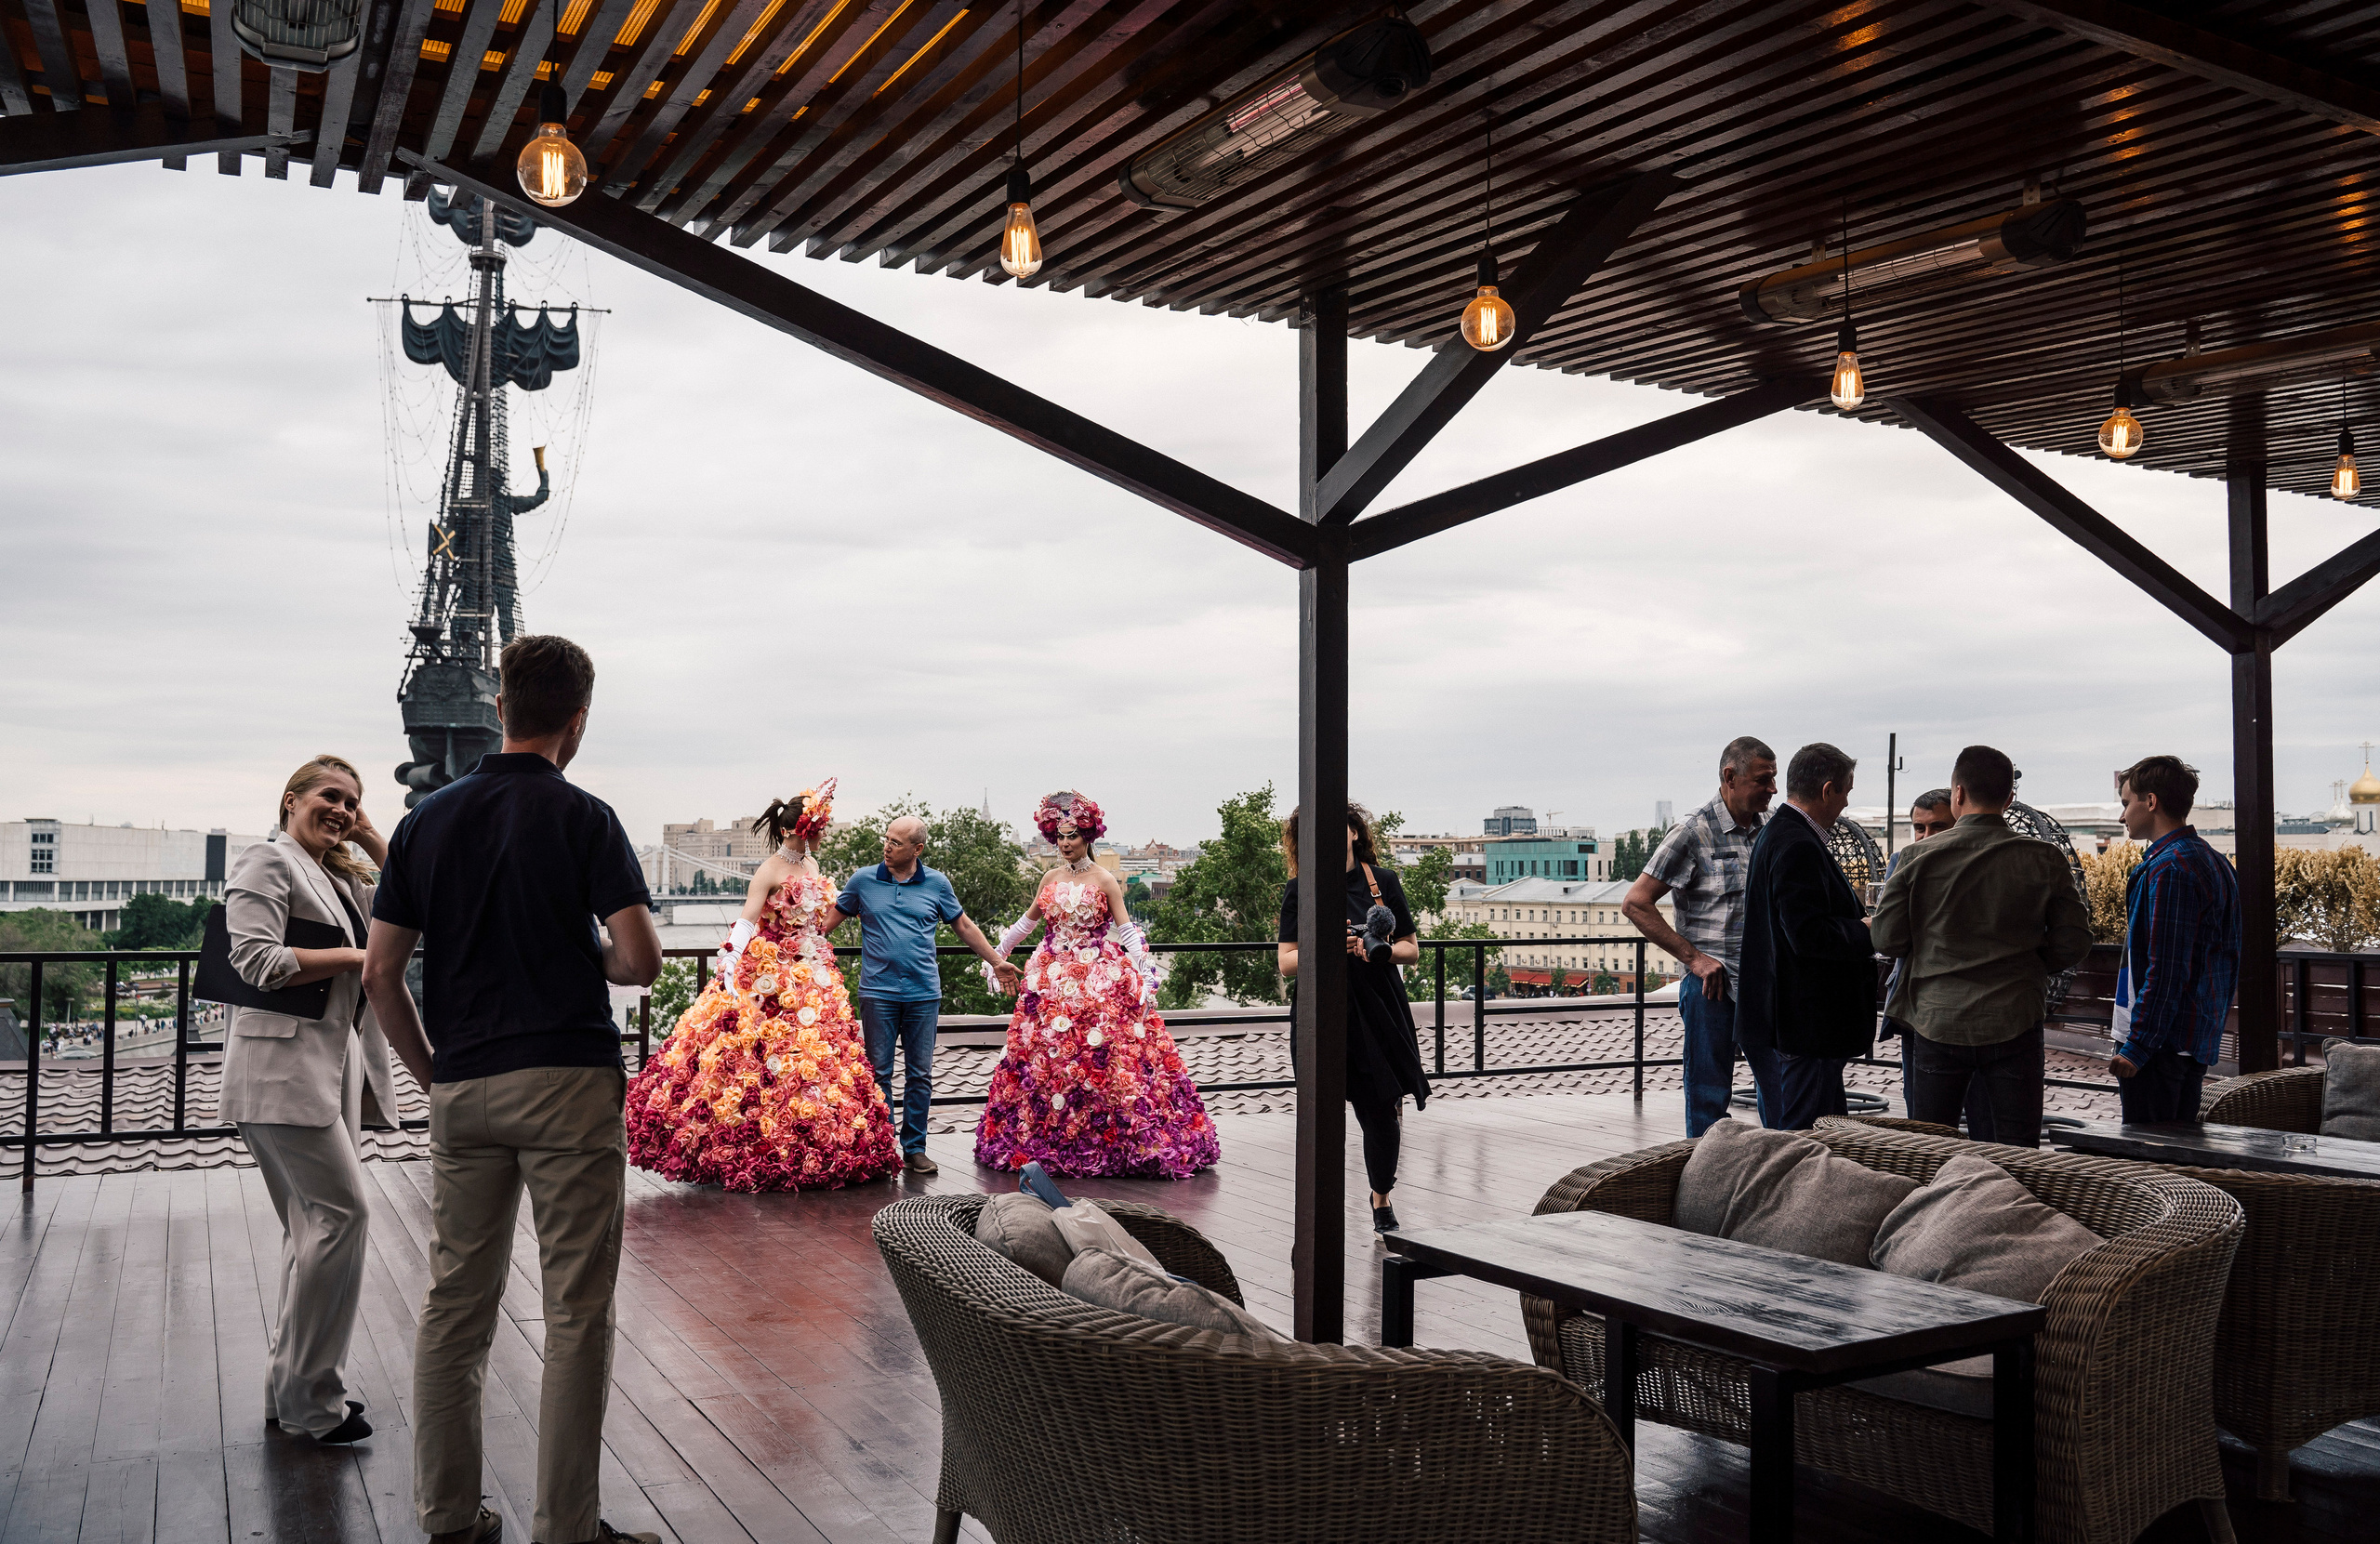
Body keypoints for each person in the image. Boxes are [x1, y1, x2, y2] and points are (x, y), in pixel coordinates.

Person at [362, 635, 664, 1544]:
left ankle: (447, 1516)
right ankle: (565, 1527)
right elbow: (641, 958)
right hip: (568, 1079)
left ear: (498, 705)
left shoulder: (423, 823)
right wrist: (594, 953)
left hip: (464, 1085)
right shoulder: (586, 818)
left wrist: (433, 1074)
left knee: (454, 1304)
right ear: (577, 721)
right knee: (576, 1309)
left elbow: (382, 973)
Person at [223, 754, 399, 1447]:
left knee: (311, 1231)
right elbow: (256, 961)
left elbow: (417, 899)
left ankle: (287, 1388)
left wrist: (371, 837)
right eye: (331, 795)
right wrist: (360, 960)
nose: (343, 807)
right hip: (281, 1073)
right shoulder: (268, 863)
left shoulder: (333, 875)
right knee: (342, 1216)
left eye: (353, 800)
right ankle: (313, 1399)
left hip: (328, 1072)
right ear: (290, 798)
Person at [626, 781, 903, 1191]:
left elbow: (818, 921)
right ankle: (762, 1148)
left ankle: (814, 1142)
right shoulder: (770, 869)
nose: (825, 833)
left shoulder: (810, 866)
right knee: (758, 1063)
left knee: (820, 1064)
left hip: (813, 974)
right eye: (821, 827)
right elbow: (748, 917)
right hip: (772, 975)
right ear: (804, 829)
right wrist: (732, 955)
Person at [975, 791, 1220, 1178]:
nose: (1066, 843)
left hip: (1098, 978)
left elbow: (1126, 930)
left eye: (1072, 836)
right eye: (1059, 836)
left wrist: (1146, 973)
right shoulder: (1049, 877)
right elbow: (1027, 924)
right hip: (1052, 978)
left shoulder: (1105, 879)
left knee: (1104, 1056)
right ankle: (1053, 1134)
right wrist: (994, 957)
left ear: (1088, 836)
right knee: (1049, 1056)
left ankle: (1105, 1135)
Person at [1871, 747, 2094, 1149]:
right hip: (2015, 1019)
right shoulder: (2044, 858)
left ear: (1957, 794)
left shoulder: (1915, 858)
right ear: (2009, 799)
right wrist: (2028, 966)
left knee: (1931, 1147)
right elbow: (2074, 941)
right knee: (2014, 1151)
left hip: (1938, 1020)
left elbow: (1886, 939)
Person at [819, 812, 1016, 1176]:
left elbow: (963, 925)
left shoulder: (937, 884)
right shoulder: (863, 880)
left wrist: (996, 961)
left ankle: (914, 1148)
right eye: (887, 839)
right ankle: (881, 1147)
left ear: (917, 849)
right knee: (877, 1073)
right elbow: (825, 925)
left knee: (920, 1074)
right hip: (877, 993)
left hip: (923, 993)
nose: (887, 847)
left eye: (896, 843)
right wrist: (786, 949)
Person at [1276, 801, 1431, 1233]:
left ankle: (1381, 1196)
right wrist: (1328, 948)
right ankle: (1323, 1209)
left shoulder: (1383, 883)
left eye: (1333, 827)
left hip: (1378, 1010)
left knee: (1381, 1112)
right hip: (1320, 1012)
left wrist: (1372, 950)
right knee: (1322, 1115)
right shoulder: (1299, 888)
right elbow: (1287, 962)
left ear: (1354, 833)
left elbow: (1411, 950)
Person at [1624, 736, 1776, 1135]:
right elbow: (1636, 903)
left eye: (1774, 779)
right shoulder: (1692, 832)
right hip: (1714, 990)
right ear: (1730, 776)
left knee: (1781, 1092)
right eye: (1763, 780)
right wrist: (1694, 959)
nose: (1772, 789)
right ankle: (1706, 1184)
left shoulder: (1772, 828)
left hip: (1765, 987)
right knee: (1708, 1100)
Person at [1736, 742, 1874, 1129]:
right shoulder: (1798, 843)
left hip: (1788, 1024)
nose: (1846, 804)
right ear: (1828, 790)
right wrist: (1866, 931)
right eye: (1845, 792)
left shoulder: (1777, 834)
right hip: (1806, 1028)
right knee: (1803, 1145)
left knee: (1821, 1139)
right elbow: (1808, 934)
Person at [2109, 755, 2241, 1122]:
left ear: (2150, 802)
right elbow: (2225, 958)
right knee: (2177, 1155)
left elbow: (2166, 968)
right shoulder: (2214, 861)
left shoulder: (2170, 868)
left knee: (2151, 1163)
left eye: (2126, 803)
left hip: (2159, 1048)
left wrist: (2138, 1047)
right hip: (2187, 1041)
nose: (2122, 817)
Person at [1876, 789, 1972, 1120]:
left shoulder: (1974, 860)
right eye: (1920, 828)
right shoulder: (1902, 860)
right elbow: (1888, 938)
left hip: (1969, 1003)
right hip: (1916, 1000)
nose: (1926, 837)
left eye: (1938, 827)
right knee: (1922, 1116)